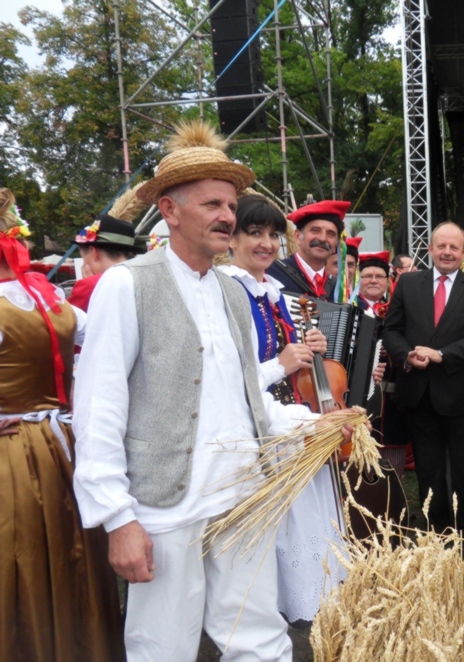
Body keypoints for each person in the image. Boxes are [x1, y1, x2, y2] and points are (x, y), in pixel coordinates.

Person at [72, 120, 353, 661]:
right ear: (170, 211)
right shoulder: (127, 284)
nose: (227, 215)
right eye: (212, 204)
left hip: (242, 496)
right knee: (163, 647)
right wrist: (118, 517)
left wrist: (311, 424)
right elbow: (99, 410)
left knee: (259, 638)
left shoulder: (230, 290)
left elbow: (245, 398)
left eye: (230, 205)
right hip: (166, 505)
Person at [0, 188, 125, 661]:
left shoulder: (39, 295)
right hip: (64, 446)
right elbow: (104, 347)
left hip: (13, 451)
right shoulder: (49, 297)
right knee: (69, 554)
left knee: (23, 558)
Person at [218, 193, 346, 623]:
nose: (267, 243)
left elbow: (284, 359)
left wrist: (307, 350)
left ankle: (305, 604)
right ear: (231, 239)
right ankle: (271, 612)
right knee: (278, 531)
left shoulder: (268, 294)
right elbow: (225, 382)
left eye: (273, 235)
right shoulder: (229, 293)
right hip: (259, 434)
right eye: (254, 233)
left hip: (290, 427)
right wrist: (281, 364)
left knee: (305, 523)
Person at [382, 222, 464, 557]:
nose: (447, 252)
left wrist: (442, 354)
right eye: (441, 246)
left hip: (460, 394)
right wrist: (407, 355)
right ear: (429, 249)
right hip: (418, 394)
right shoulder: (407, 283)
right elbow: (392, 330)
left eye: (454, 247)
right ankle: (436, 533)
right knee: (428, 469)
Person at [266, 199, 349, 301]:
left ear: (336, 244)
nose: (323, 238)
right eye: (315, 230)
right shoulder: (272, 273)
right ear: (298, 236)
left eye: (330, 234)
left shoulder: (338, 289)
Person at [68, 212, 142, 311]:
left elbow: (64, 319)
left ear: (93, 252)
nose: (84, 266)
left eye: (84, 259)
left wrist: (90, 286)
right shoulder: (144, 277)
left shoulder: (90, 286)